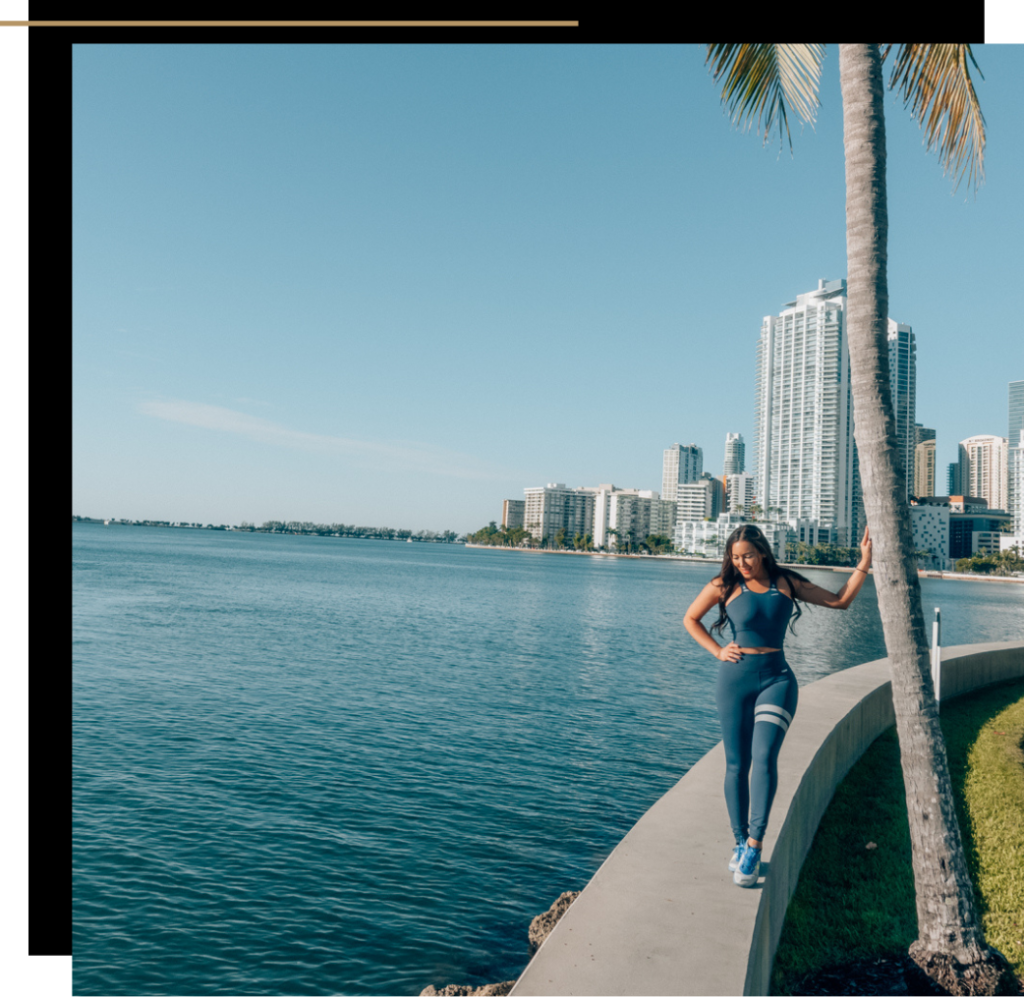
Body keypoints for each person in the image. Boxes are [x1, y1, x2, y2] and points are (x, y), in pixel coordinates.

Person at [683, 524, 873, 887]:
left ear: (763, 553)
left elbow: (840, 600)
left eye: (748, 556)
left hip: (777, 680)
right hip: (734, 681)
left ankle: (755, 845)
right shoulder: (724, 585)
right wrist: (718, 650)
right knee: (737, 764)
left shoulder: (785, 583)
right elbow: (691, 619)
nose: (742, 563)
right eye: (735, 558)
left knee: (765, 756)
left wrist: (864, 562)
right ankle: (739, 841)